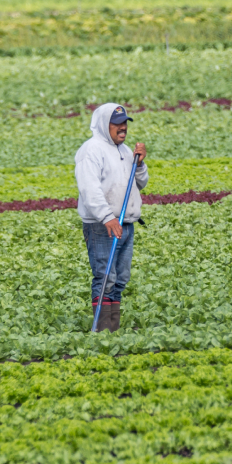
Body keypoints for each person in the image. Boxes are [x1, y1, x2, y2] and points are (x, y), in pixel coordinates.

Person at [75, 104, 148, 332]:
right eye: (117, 123)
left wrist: (140, 163)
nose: (123, 127)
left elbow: (141, 183)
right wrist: (107, 217)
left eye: (125, 123)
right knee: (106, 277)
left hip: (125, 223)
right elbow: (90, 188)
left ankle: (111, 330)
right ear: (104, 125)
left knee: (120, 279)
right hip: (102, 225)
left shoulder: (126, 151)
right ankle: (102, 331)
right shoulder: (91, 150)